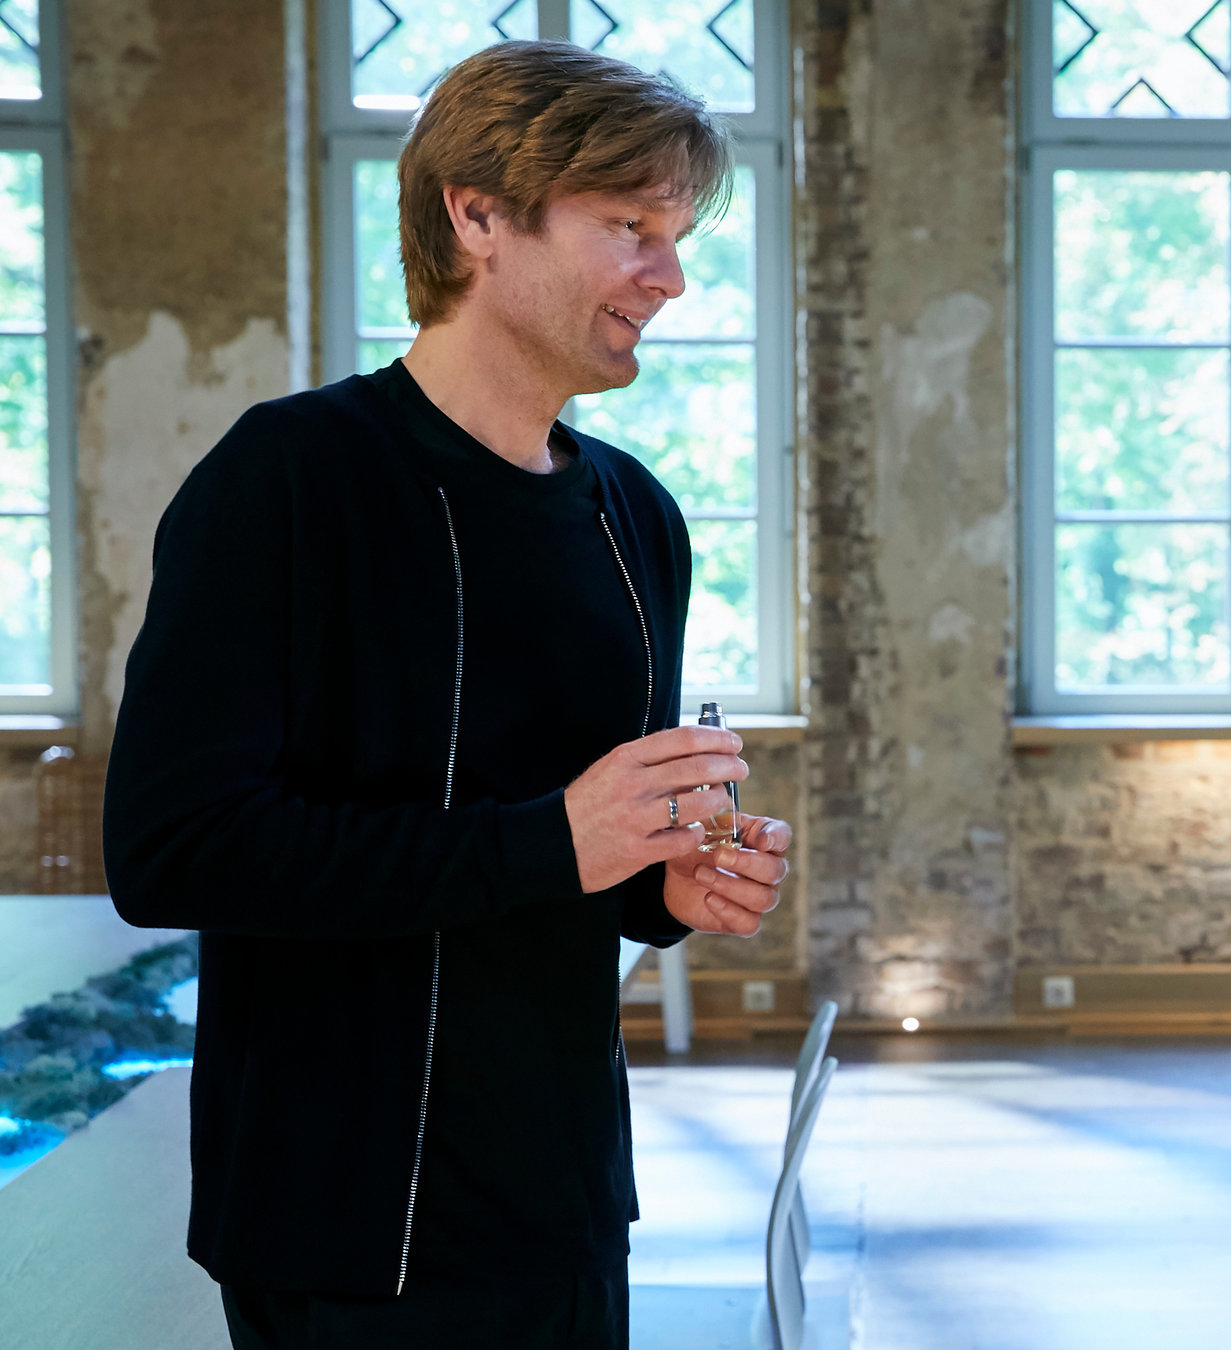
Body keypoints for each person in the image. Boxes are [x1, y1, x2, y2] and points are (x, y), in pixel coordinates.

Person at [102, 41, 791, 1350]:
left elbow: (584, 866)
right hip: (342, 1215)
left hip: (566, 1196)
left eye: (678, 236)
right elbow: (171, 849)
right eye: (631, 228)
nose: (671, 276)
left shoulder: (635, 514)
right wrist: (553, 838)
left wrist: (668, 882)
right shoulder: (289, 478)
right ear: (476, 215)